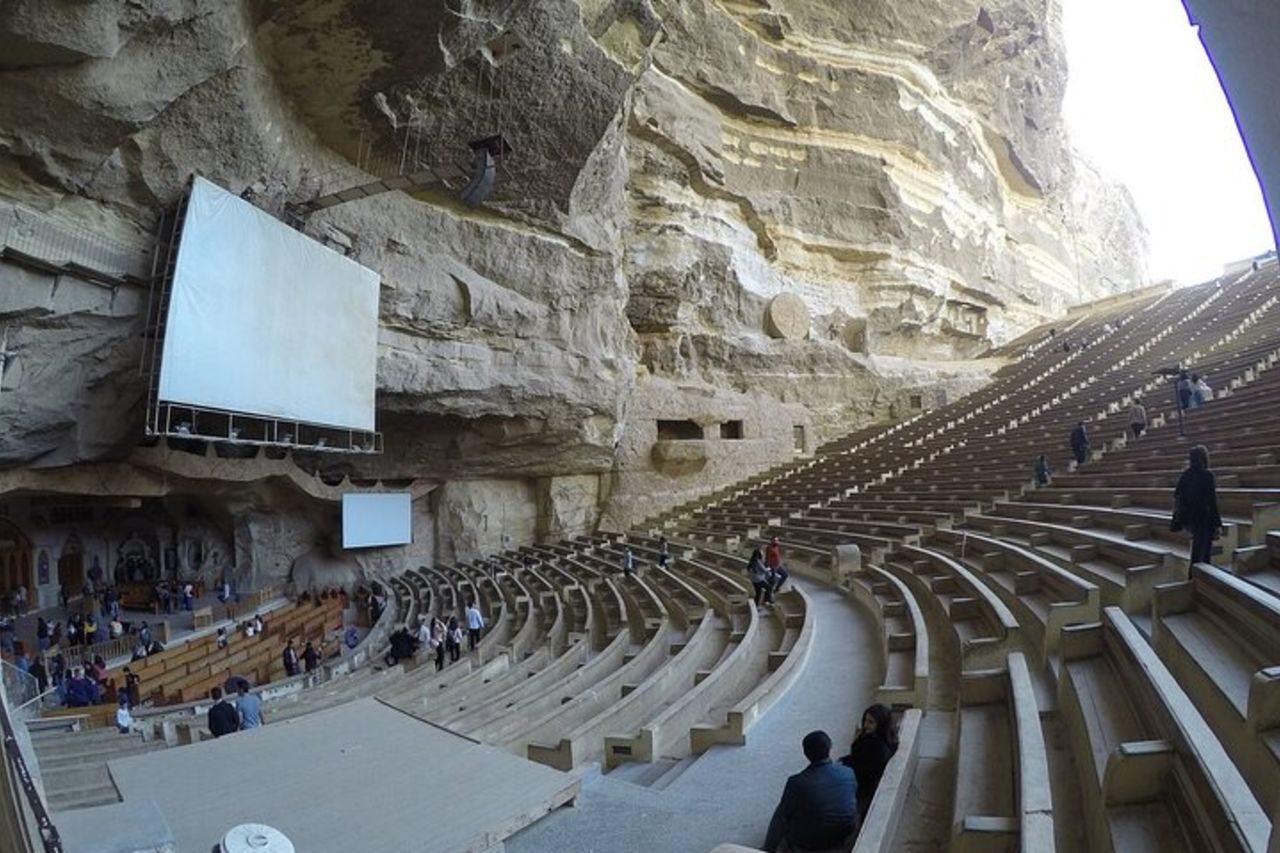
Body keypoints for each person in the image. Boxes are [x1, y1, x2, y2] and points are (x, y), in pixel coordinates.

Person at [764, 731, 858, 853]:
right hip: (843, 837)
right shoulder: (848, 773)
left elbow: (781, 817)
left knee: (784, 813)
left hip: (808, 844)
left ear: (806, 753)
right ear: (829, 748)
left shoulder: (797, 782)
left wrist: (769, 847)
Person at [840, 704, 898, 822]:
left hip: (863, 788)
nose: (866, 725)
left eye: (871, 722)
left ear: (880, 725)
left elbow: (862, 769)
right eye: (865, 720)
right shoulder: (877, 738)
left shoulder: (876, 747)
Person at [1173, 445, 1222, 565]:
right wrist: (1218, 524)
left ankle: (1198, 579)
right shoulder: (1207, 475)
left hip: (1191, 518)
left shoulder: (1186, 474)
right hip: (1204, 519)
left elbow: (1177, 494)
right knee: (1202, 555)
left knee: (1198, 552)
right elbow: (1212, 502)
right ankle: (1195, 580)